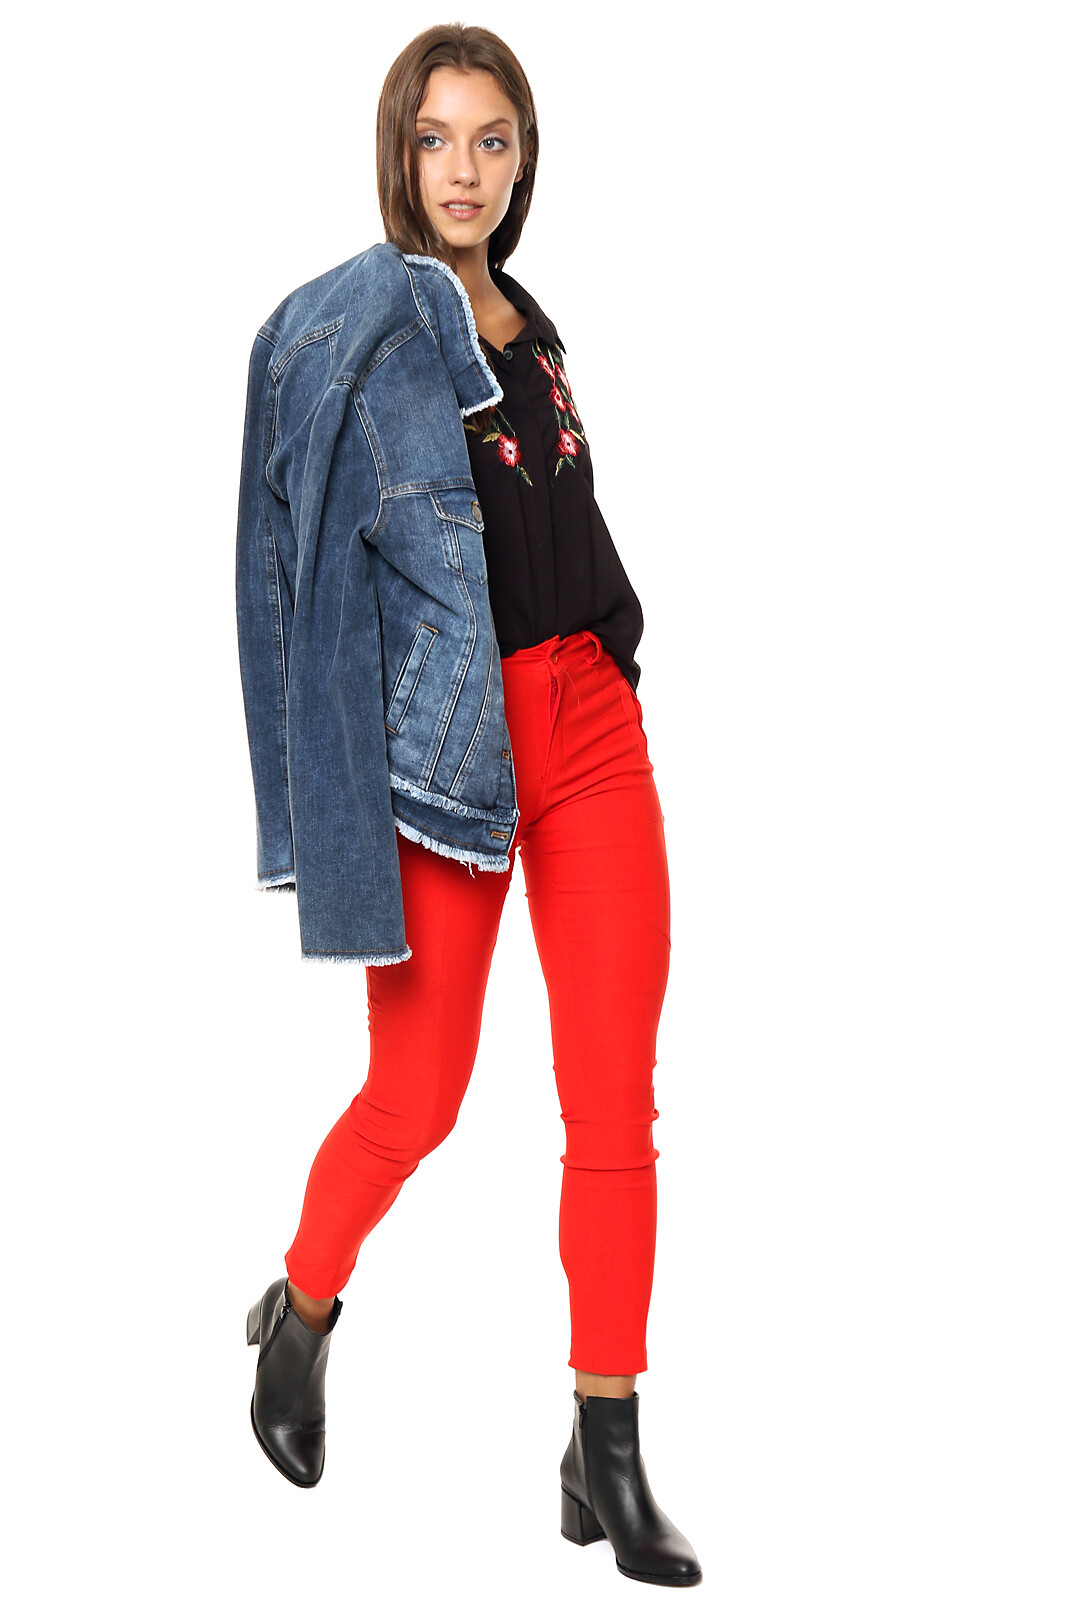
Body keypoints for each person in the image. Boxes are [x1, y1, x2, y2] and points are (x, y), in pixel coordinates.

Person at [241, 24, 702, 1587]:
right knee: (420, 1095)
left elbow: (558, 506)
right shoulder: (370, 333)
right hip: (448, 753)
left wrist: (614, 651)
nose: (465, 169)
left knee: (613, 1100)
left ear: (523, 158)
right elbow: (314, 568)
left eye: (492, 139)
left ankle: (606, 1443)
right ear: (400, 154)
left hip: (589, 728)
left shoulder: (532, 322)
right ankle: (302, 1309)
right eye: (436, 138)